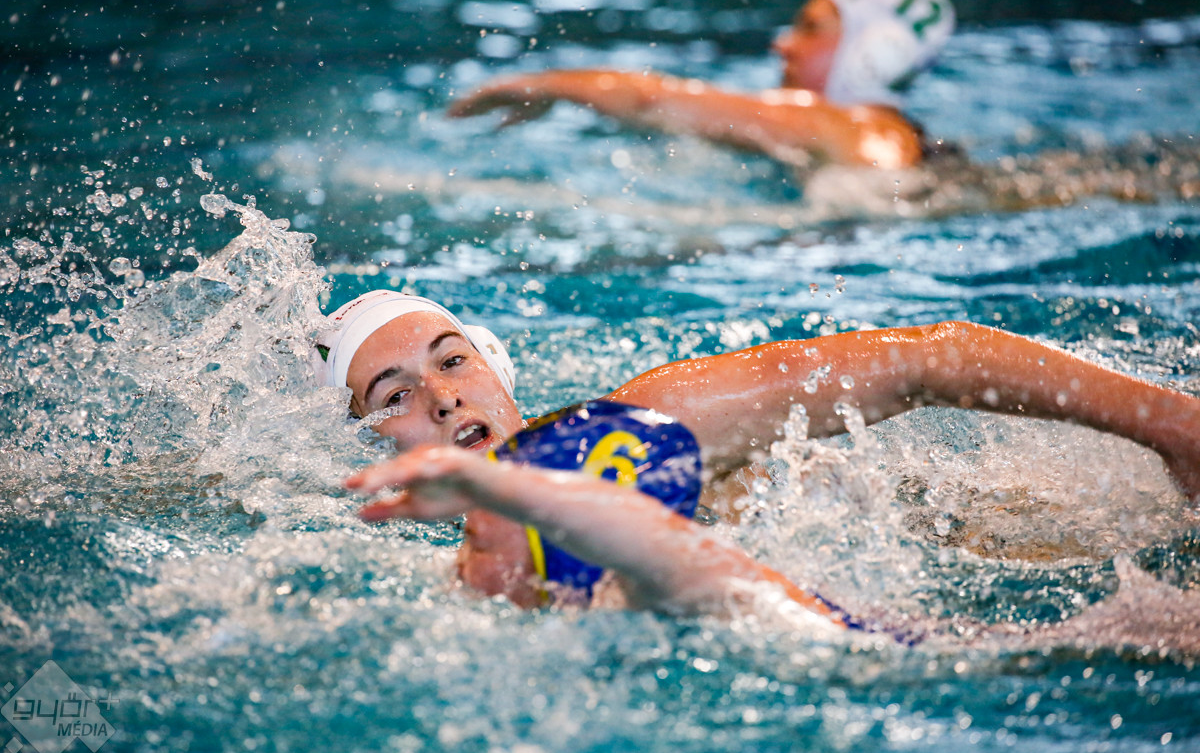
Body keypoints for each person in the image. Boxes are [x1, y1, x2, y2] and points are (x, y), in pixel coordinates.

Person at [319, 290, 1200, 626]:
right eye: (393, 396)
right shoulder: (449, 572)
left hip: (946, 537)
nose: (441, 398)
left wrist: (1175, 428)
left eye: (452, 360)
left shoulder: (647, 424)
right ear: (362, 448)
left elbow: (930, 358)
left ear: (498, 370)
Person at [447, 0, 956, 171]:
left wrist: (546, 83)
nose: (783, 43)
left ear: (880, 52)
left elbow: (654, 100)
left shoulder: (838, 124)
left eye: (810, 28)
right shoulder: (898, 138)